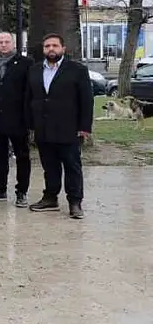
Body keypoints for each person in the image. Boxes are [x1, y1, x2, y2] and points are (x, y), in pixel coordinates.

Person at [25, 34, 93, 219]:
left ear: (63, 48)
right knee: (49, 166)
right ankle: (50, 198)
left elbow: (86, 100)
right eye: (47, 46)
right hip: (43, 128)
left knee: (72, 166)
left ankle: (75, 202)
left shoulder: (77, 70)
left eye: (55, 45)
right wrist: (30, 124)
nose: (51, 49)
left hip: (68, 128)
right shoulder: (35, 70)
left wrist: (84, 127)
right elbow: (29, 98)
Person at [0, 31, 33, 207]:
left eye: (7, 41)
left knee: (22, 155)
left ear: (14, 44)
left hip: (18, 118)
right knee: (0, 155)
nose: (3, 45)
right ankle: (0, 189)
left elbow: (29, 92)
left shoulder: (26, 64)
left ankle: (22, 192)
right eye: (0, 42)